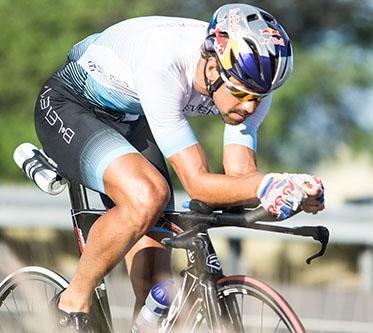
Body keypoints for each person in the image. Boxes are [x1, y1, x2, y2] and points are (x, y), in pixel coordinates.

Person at [34, 3, 325, 331]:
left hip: (134, 117)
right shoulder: (164, 63)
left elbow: (241, 176)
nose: (250, 106)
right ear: (213, 68)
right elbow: (198, 184)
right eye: (241, 94)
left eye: (259, 97)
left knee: (156, 295)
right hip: (71, 104)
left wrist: (290, 192)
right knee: (147, 197)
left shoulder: (255, 81)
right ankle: (71, 301)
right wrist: (265, 185)